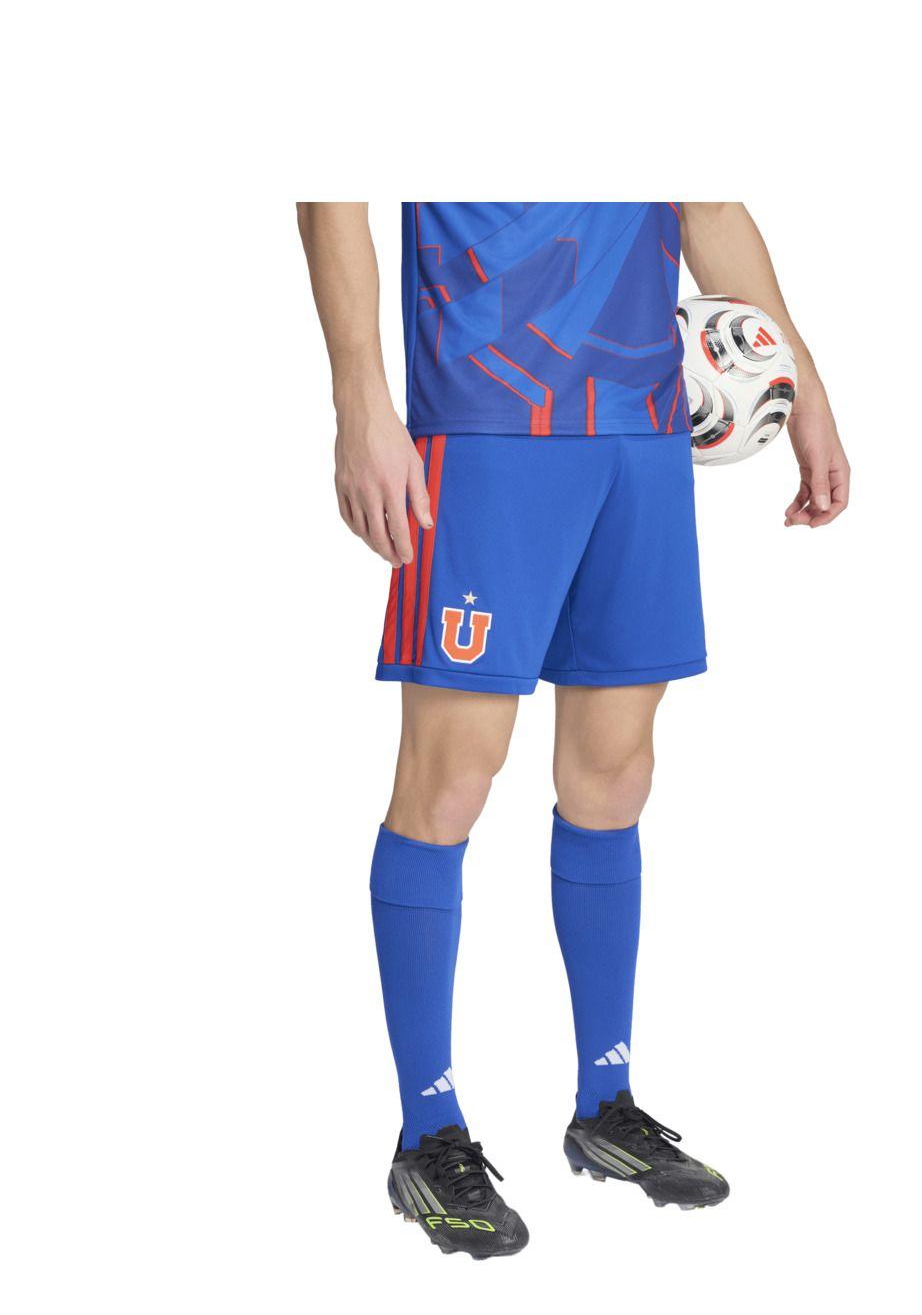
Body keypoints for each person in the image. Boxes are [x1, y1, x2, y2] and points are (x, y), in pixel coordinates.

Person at [298, 202, 850, 1259]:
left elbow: (706, 201)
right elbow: (328, 191)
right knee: (450, 780)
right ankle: (427, 1132)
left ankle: (605, 1105)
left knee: (616, 776)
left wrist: (806, 388)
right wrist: (360, 399)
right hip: (484, 417)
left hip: (642, 426)